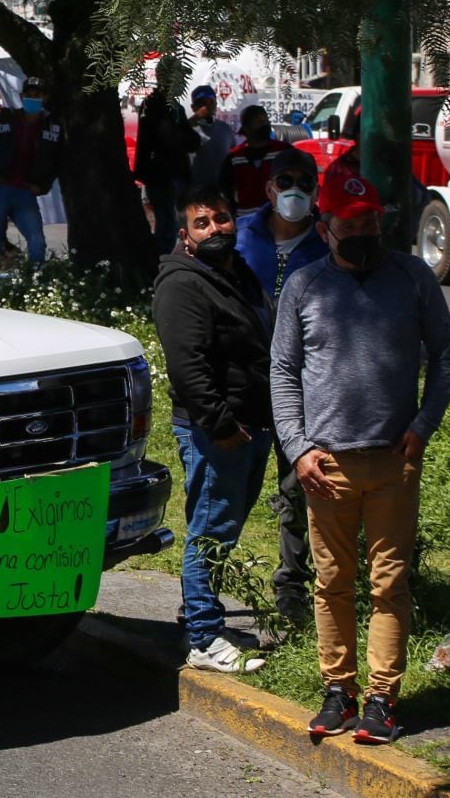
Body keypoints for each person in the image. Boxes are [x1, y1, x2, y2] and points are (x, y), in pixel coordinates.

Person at [271, 164, 450, 743]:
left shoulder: (413, 278)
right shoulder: (303, 285)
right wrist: (298, 448)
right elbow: (282, 371)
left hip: (393, 461)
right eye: (351, 222)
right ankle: (338, 691)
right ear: (325, 227)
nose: (364, 231)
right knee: (331, 582)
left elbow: (447, 354)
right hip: (324, 466)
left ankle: (382, 699)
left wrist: (425, 425)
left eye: (372, 220)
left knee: (388, 585)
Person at [153, 185, 274, 674]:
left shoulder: (235, 272)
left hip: (250, 423)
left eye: (221, 219)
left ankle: (202, 615)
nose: (215, 229)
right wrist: (220, 425)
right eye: (203, 223)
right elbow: (189, 368)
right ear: (186, 234)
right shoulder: (183, 284)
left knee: (224, 527)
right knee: (211, 528)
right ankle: (203, 637)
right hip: (217, 430)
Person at [236, 148, 330, 625]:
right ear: (270, 188)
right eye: (285, 181)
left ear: (316, 191)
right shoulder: (238, 235)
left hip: (303, 391)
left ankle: (290, 586)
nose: (295, 190)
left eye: (305, 183)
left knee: (298, 487)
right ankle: (204, 590)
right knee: (231, 488)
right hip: (247, 386)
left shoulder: (329, 243)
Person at [0, 74, 63, 290]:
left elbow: (56, 162)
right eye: (29, 95)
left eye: (38, 95)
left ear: (45, 98)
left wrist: (42, 186)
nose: (33, 99)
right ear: (22, 96)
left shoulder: (51, 127)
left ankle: (32, 289)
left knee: (37, 242)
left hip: (25, 192)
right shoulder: (4, 120)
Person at [134, 80, 200, 255]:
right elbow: (169, 137)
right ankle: (163, 267)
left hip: (176, 173)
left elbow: (192, 140)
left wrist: (187, 137)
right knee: (167, 227)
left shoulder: (175, 106)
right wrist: (185, 137)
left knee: (176, 224)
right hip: (163, 175)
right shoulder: (155, 104)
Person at [224, 105, 292, 212]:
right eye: (259, 122)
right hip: (246, 222)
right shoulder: (234, 157)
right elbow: (226, 192)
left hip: (278, 219)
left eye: (266, 120)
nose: (265, 124)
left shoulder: (283, 151)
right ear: (246, 128)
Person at [188, 85, 236, 189]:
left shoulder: (226, 129)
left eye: (211, 102)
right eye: (202, 103)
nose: (207, 107)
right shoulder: (187, 129)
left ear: (216, 105)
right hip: (194, 191)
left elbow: (233, 158)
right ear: (193, 107)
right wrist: (196, 118)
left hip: (221, 191)